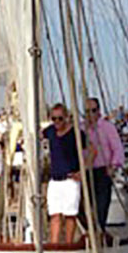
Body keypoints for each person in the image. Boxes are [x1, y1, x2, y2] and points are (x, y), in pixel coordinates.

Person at [43, 103, 96, 243]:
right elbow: (38, 136)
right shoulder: (50, 131)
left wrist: (82, 171)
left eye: (60, 118)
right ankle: (54, 245)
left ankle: (68, 244)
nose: (57, 122)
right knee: (54, 214)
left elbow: (92, 151)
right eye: (54, 119)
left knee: (70, 215)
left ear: (66, 117)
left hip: (70, 180)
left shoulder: (76, 133)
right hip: (55, 180)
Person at [83, 98, 124, 231]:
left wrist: (113, 165)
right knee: (84, 205)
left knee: (101, 205)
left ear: (99, 111)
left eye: (93, 110)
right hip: (86, 171)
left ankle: (99, 230)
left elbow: (117, 148)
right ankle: (88, 231)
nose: (90, 114)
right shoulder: (81, 128)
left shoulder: (107, 127)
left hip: (103, 170)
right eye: (87, 111)